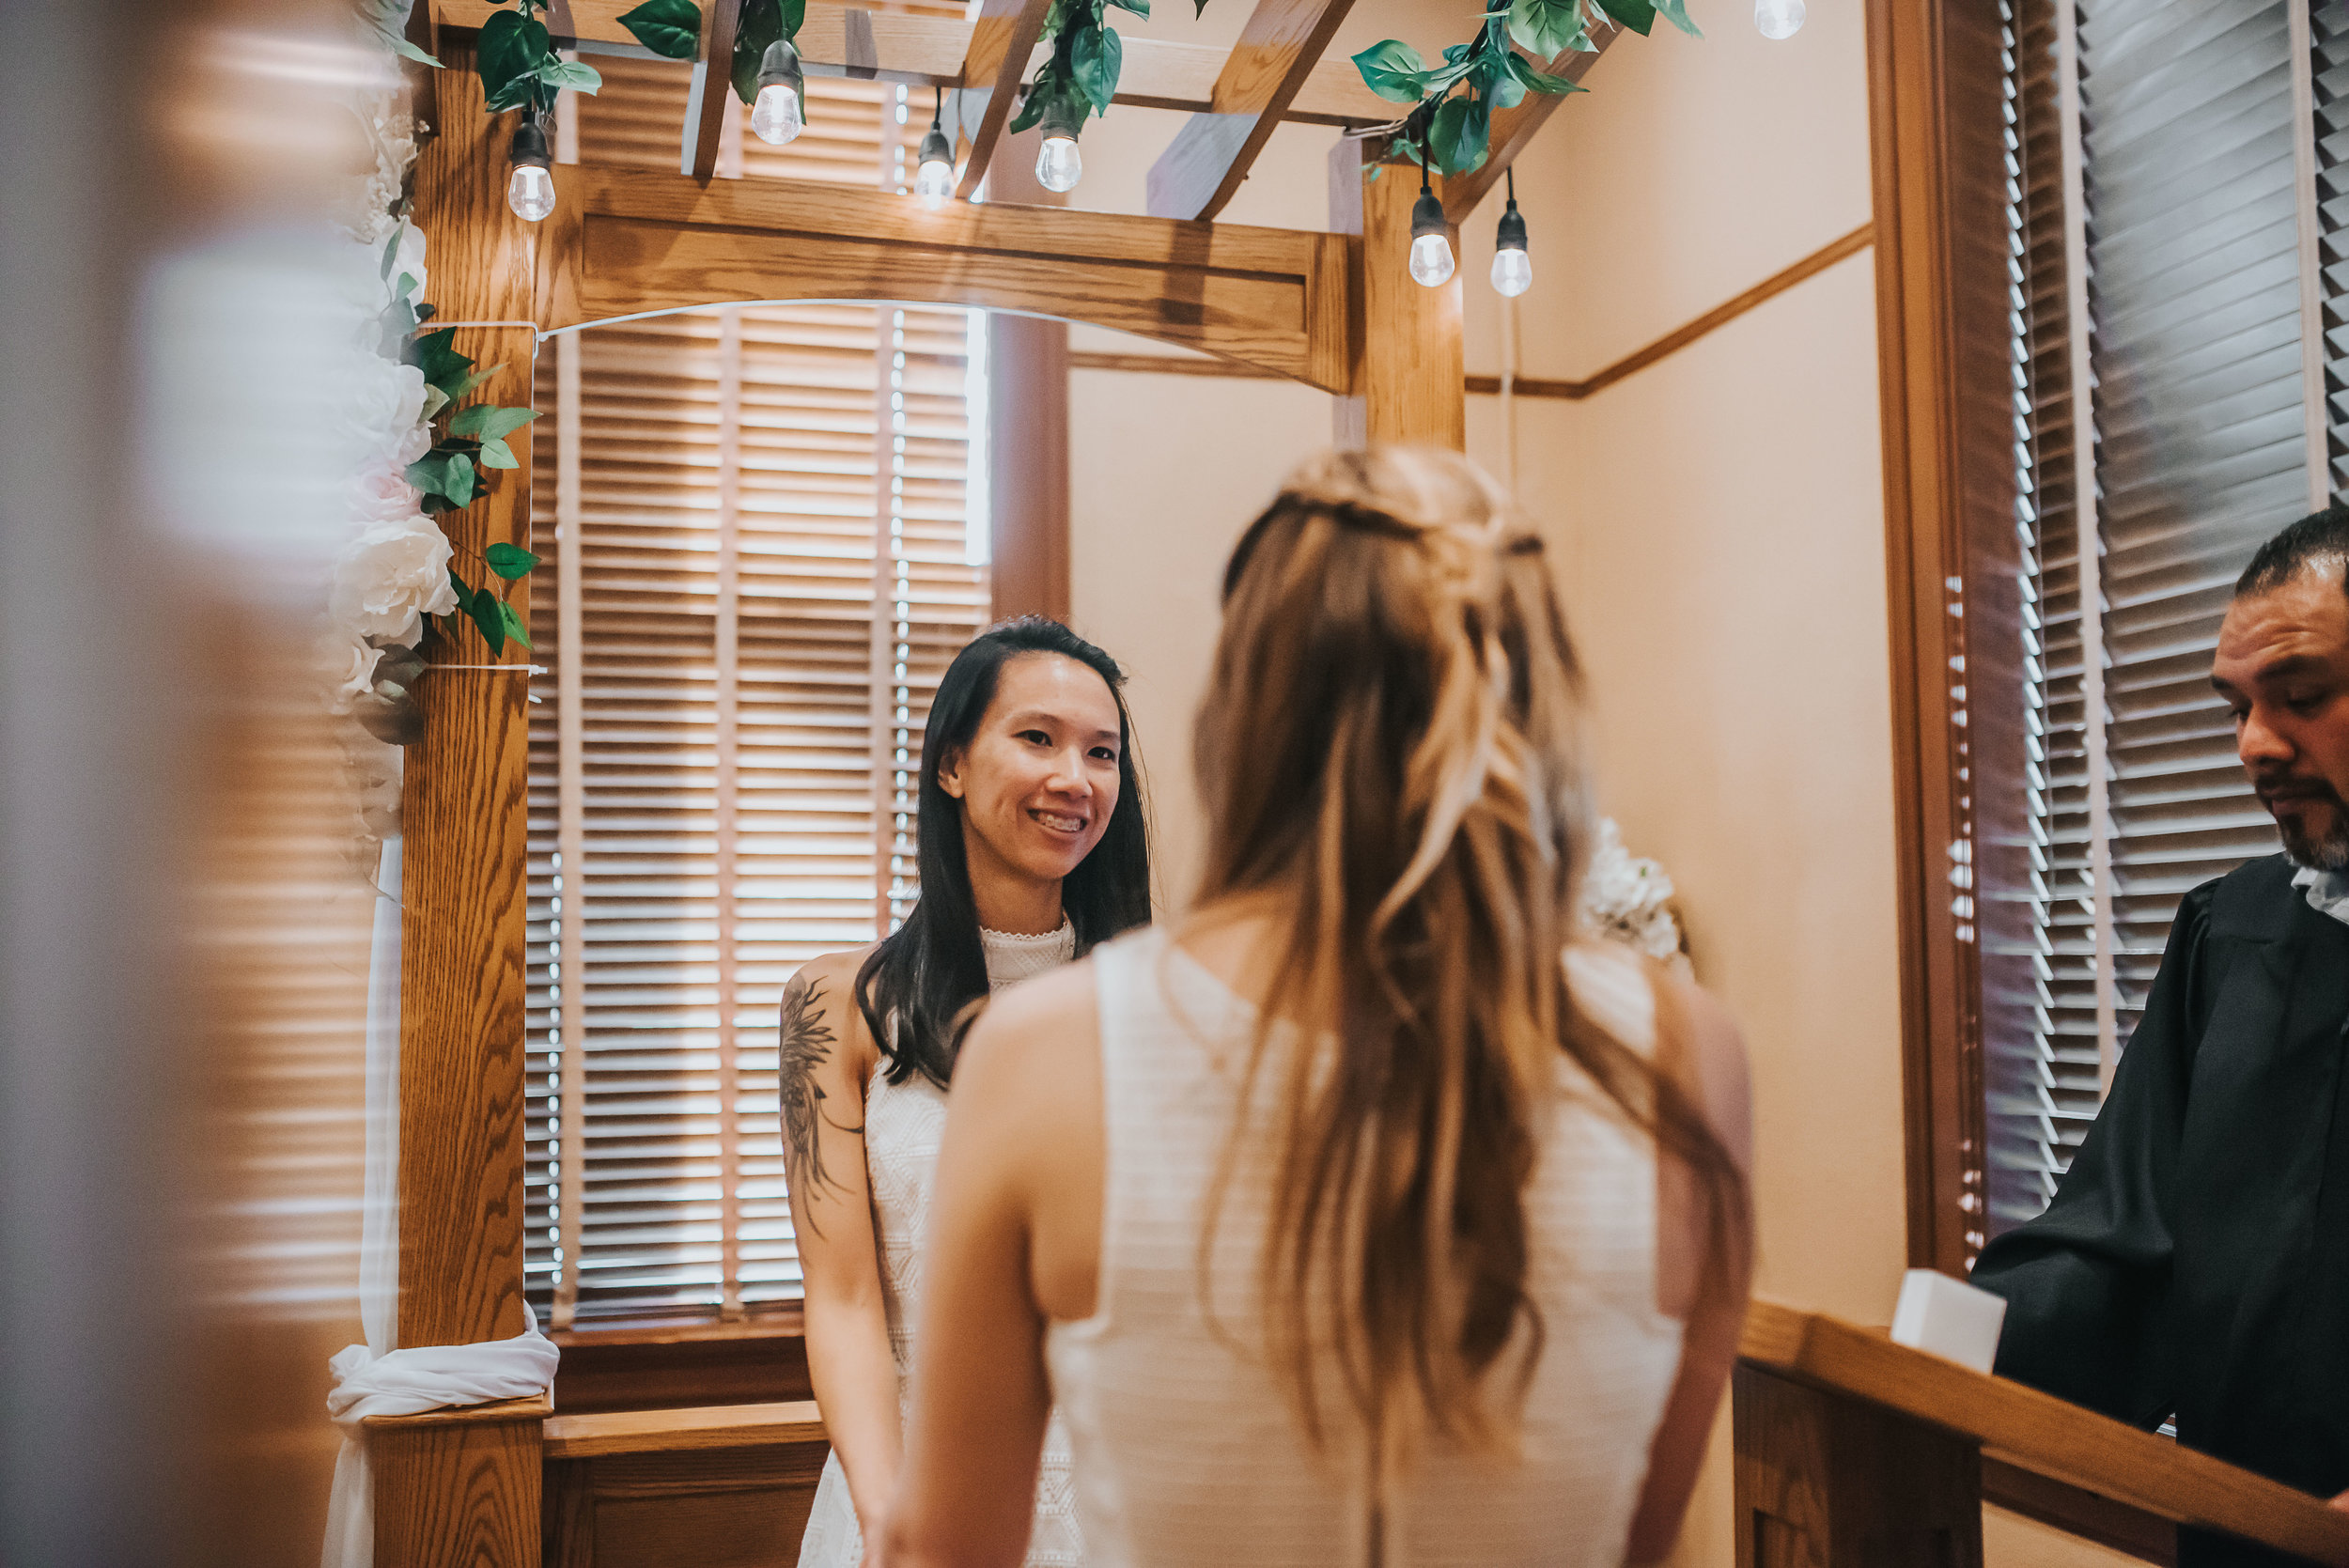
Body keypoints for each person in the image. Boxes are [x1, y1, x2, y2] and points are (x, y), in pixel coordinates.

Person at [878, 447, 1753, 1568]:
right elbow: (1637, 1538)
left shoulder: (1045, 1055)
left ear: (1242, 710)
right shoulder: (1686, 1053)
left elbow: (946, 1555)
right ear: (1532, 699)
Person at [1972, 506, 2349, 1566]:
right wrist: (1942, 1354)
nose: (2254, 747)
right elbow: (2119, 1247)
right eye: (2238, 708)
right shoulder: (2229, 933)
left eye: (2303, 698)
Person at [781, 617, 1153, 1568]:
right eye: (1038, 738)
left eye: (1101, 752)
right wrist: (890, 1518)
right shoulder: (842, 1004)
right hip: (906, 1480)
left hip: (1128, 1496)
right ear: (952, 763)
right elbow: (845, 1299)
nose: (1075, 777)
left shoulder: (1155, 1002)